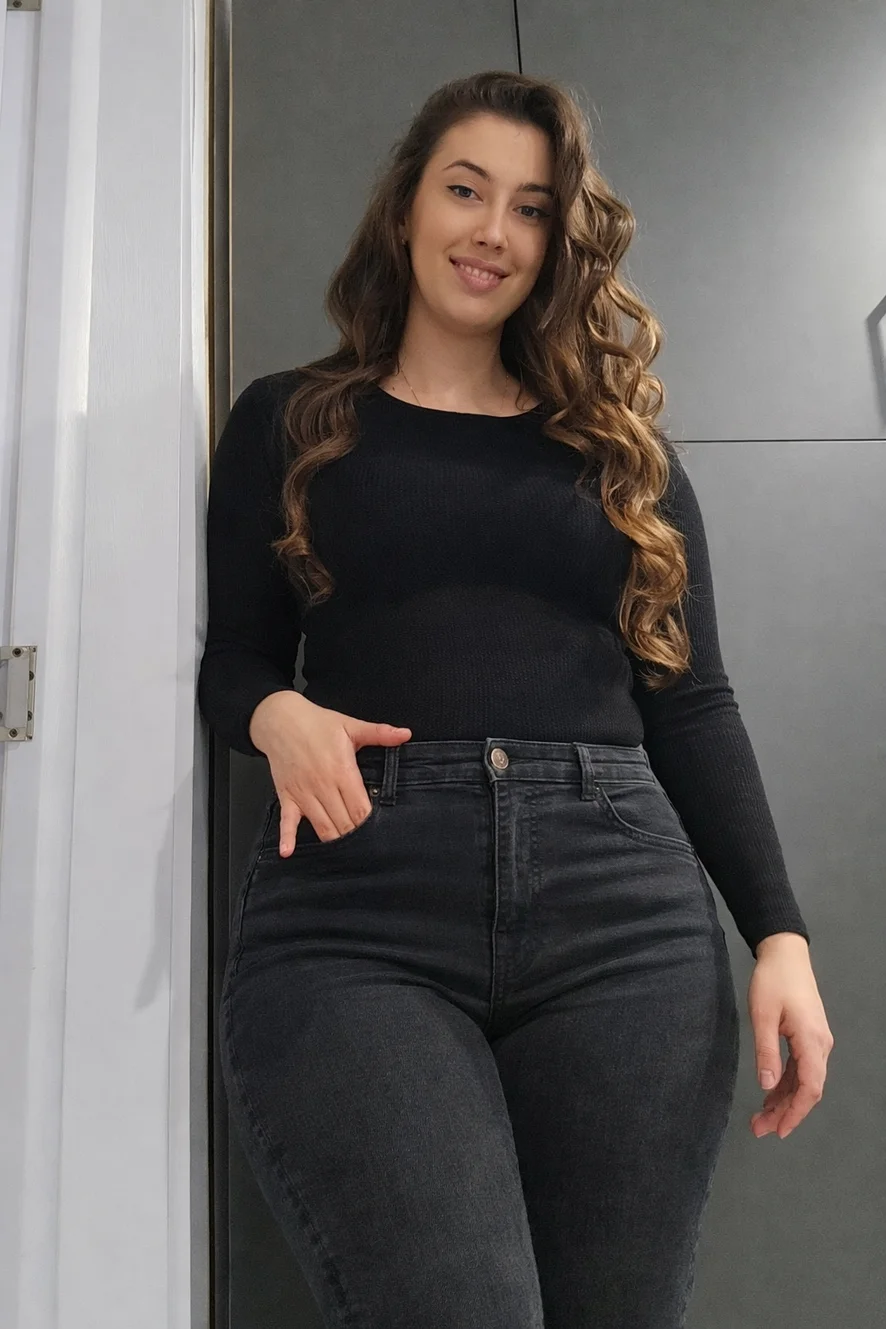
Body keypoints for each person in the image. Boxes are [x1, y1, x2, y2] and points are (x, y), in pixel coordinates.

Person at [197, 69, 833, 1329]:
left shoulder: (621, 457)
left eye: (531, 208)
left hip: (623, 920)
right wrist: (278, 717)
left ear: (556, 244)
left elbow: (693, 704)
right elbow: (236, 664)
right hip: (361, 906)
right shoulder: (292, 420)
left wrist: (780, 938)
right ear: (406, 208)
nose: (492, 230)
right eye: (465, 190)